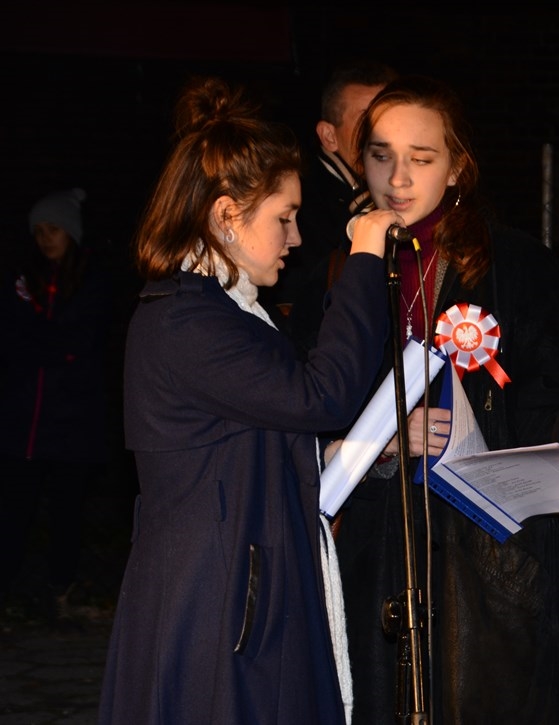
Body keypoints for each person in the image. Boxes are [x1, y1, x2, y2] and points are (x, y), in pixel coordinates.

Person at [98, 76, 391, 725]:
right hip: (217, 608)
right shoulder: (186, 321)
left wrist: (372, 444)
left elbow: (266, 433)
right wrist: (365, 258)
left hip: (237, 592)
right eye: (283, 218)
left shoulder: (221, 312)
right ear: (227, 216)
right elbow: (320, 396)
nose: (295, 237)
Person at [332, 74, 559, 724]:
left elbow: (549, 384)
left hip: (488, 559)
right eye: (380, 155)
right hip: (377, 546)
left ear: (457, 167)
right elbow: (314, 402)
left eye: (421, 158)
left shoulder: (518, 264)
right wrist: (381, 439)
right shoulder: (340, 265)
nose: (398, 178)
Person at [0, 187, 113, 619]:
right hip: (23, 423)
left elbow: (82, 340)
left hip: (72, 422)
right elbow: (13, 337)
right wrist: (45, 344)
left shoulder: (91, 280)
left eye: (54, 229)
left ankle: (60, 591)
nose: (46, 238)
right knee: (14, 513)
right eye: (39, 231)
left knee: (67, 513)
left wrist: (42, 343)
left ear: (72, 233)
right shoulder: (21, 279)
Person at [272, 58, 398, 355]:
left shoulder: (398, 193)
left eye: (392, 118)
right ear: (329, 136)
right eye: (366, 120)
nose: (382, 134)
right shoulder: (301, 204)